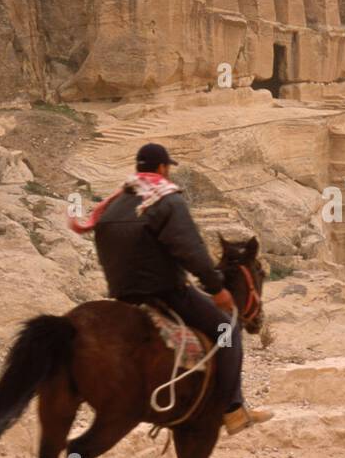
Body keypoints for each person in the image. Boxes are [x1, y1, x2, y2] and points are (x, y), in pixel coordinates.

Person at [70, 143, 272, 435]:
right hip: (166, 292)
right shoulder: (166, 200)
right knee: (228, 330)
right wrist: (216, 288)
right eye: (168, 168)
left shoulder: (113, 204)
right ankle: (232, 408)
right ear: (163, 168)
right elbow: (190, 249)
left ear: (139, 168)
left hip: (123, 294)